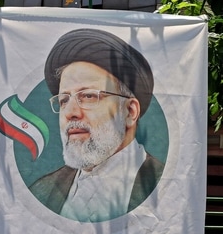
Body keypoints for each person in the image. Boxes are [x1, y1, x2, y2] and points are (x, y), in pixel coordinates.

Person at [29, 28, 165, 222]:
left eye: (89, 96)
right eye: (64, 100)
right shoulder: (43, 190)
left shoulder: (165, 183)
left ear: (129, 112)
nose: (70, 112)